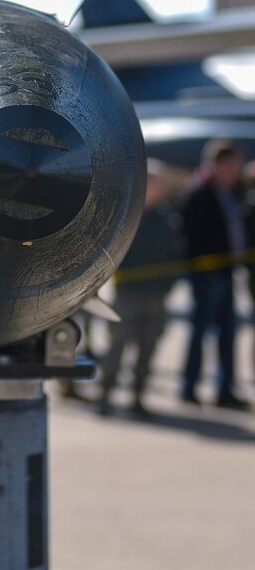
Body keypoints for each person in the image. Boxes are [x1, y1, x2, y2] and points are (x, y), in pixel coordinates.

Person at [98, 161, 182, 416]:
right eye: (154, 182)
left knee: (148, 348)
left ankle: (138, 396)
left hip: (156, 295)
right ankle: (106, 394)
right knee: (118, 346)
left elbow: (176, 254)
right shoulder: (127, 214)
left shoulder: (167, 218)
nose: (159, 188)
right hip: (128, 294)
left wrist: (168, 285)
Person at [179, 140, 249, 410]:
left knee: (228, 333)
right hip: (207, 274)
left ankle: (225, 389)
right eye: (233, 165)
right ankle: (189, 386)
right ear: (218, 164)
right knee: (200, 331)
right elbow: (191, 236)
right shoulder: (198, 193)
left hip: (227, 273)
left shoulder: (230, 192)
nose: (236, 171)